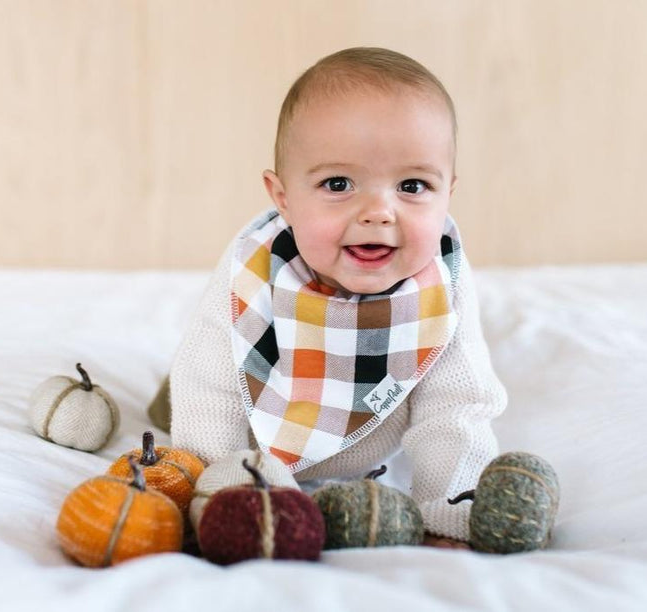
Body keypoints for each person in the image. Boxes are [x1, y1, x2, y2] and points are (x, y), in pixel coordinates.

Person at [153, 47, 507, 548]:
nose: (379, 211)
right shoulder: (255, 269)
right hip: (263, 439)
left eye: (413, 185)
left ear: (448, 192)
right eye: (338, 183)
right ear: (283, 199)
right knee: (186, 391)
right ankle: (161, 398)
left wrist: (448, 509)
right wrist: (215, 492)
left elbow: (457, 407)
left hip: (373, 449)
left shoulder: (439, 280)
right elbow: (210, 387)